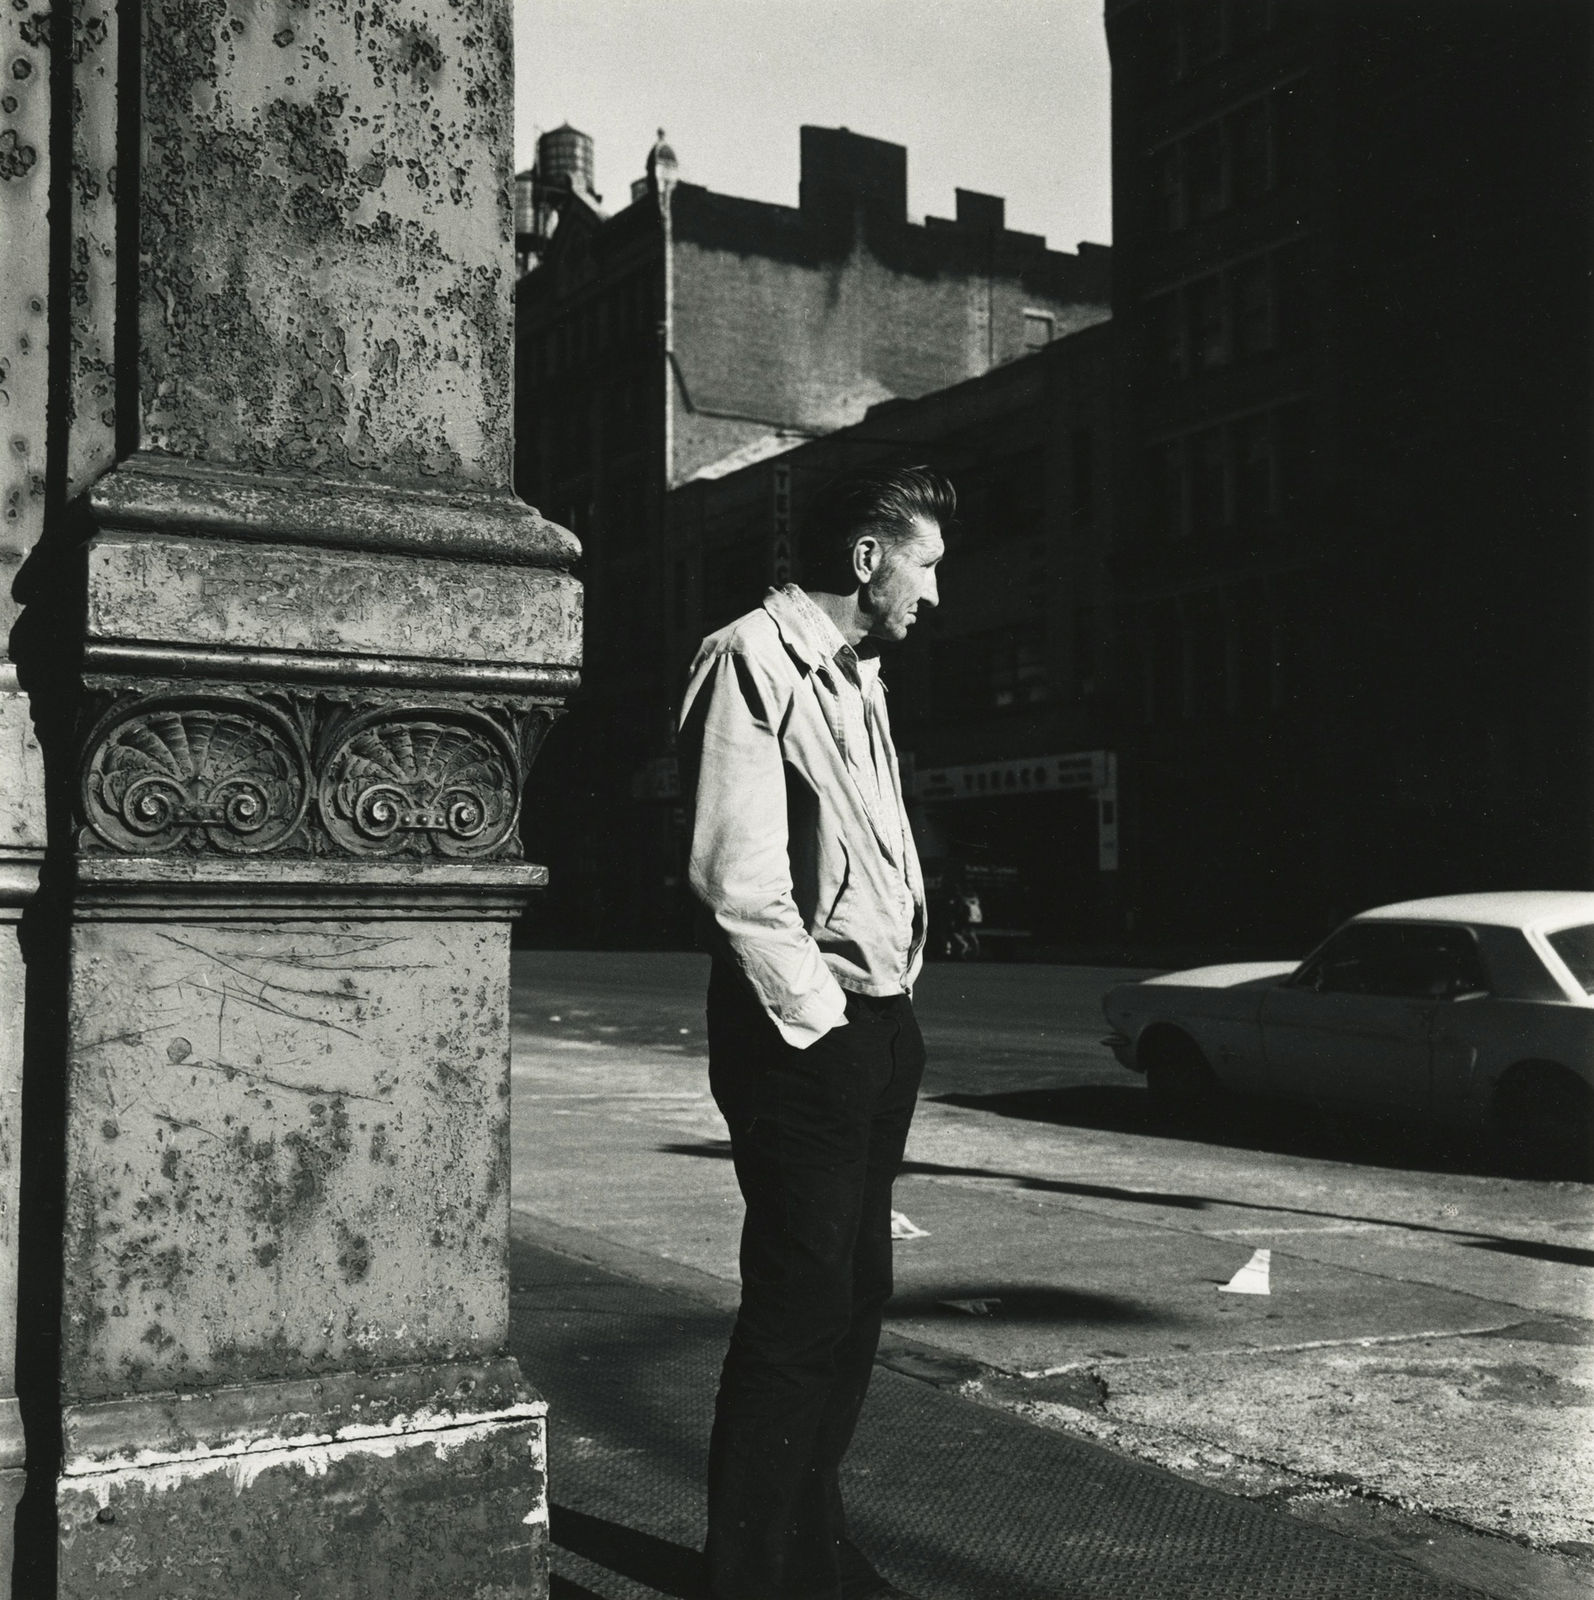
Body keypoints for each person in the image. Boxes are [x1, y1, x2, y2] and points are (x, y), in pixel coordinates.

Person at [677, 465, 953, 1600]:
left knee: (853, 1298)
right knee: (796, 1309)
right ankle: (749, 1573)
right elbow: (732, 872)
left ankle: (811, 1543)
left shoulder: (858, 677)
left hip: (878, 1025)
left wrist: (886, 1017)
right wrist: (825, 1023)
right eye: (927, 564)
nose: (937, 592)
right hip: (803, 1036)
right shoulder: (751, 654)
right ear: (866, 557)